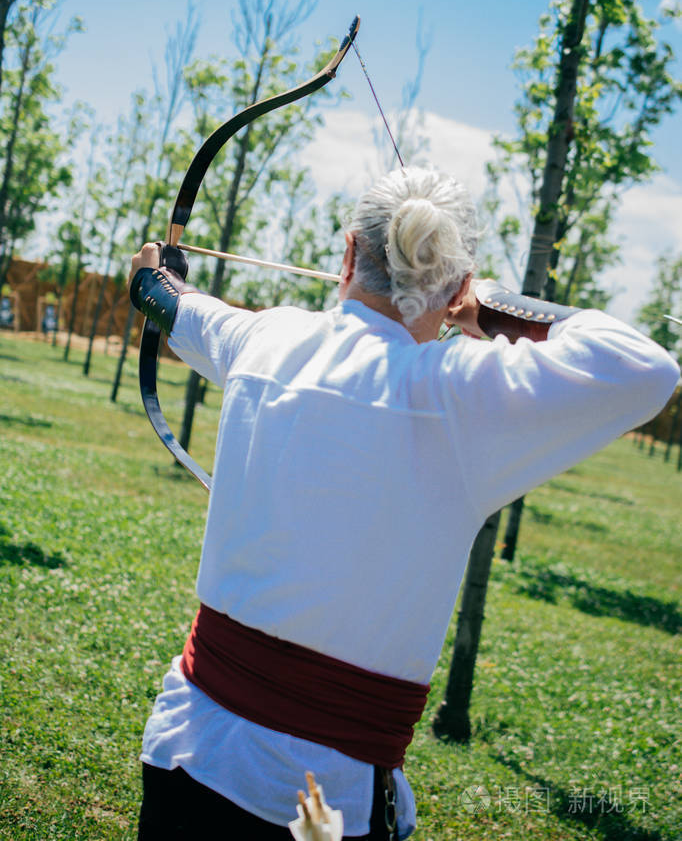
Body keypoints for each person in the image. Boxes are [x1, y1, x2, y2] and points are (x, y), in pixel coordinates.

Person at [129, 165, 679, 840]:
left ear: (350, 253)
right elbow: (647, 368)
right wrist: (489, 307)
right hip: (316, 807)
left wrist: (159, 272)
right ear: (455, 288)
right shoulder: (455, 395)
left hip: (188, 752)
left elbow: (166, 300)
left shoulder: (264, 337)